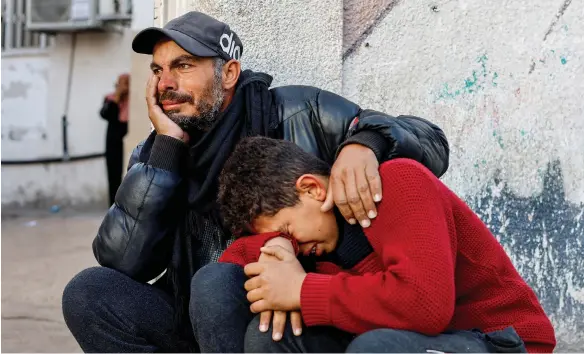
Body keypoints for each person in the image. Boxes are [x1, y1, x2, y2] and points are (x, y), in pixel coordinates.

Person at [61, 11, 450, 353]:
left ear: (228, 73)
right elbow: (122, 262)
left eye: (183, 66)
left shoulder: (299, 112)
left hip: (288, 308)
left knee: (216, 284)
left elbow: (431, 142)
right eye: (158, 70)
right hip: (193, 312)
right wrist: (166, 151)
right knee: (88, 294)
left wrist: (366, 141)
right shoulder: (157, 152)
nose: (165, 83)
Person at [190, 136, 557, 353]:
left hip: (499, 342)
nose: (293, 246)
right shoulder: (308, 233)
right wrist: (277, 251)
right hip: (402, 339)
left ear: (312, 189)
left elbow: (425, 306)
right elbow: (228, 270)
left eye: (286, 229)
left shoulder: (397, 183)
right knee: (261, 328)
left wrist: (302, 289)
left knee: (377, 350)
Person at [100, 73, 130, 206]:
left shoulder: (135, 102)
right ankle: (113, 206)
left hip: (128, 140)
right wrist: (118, 95)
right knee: (114, 176)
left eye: (126, 83)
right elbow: (106, 114)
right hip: (113, 142)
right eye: (120, 83)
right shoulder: (110, 98)